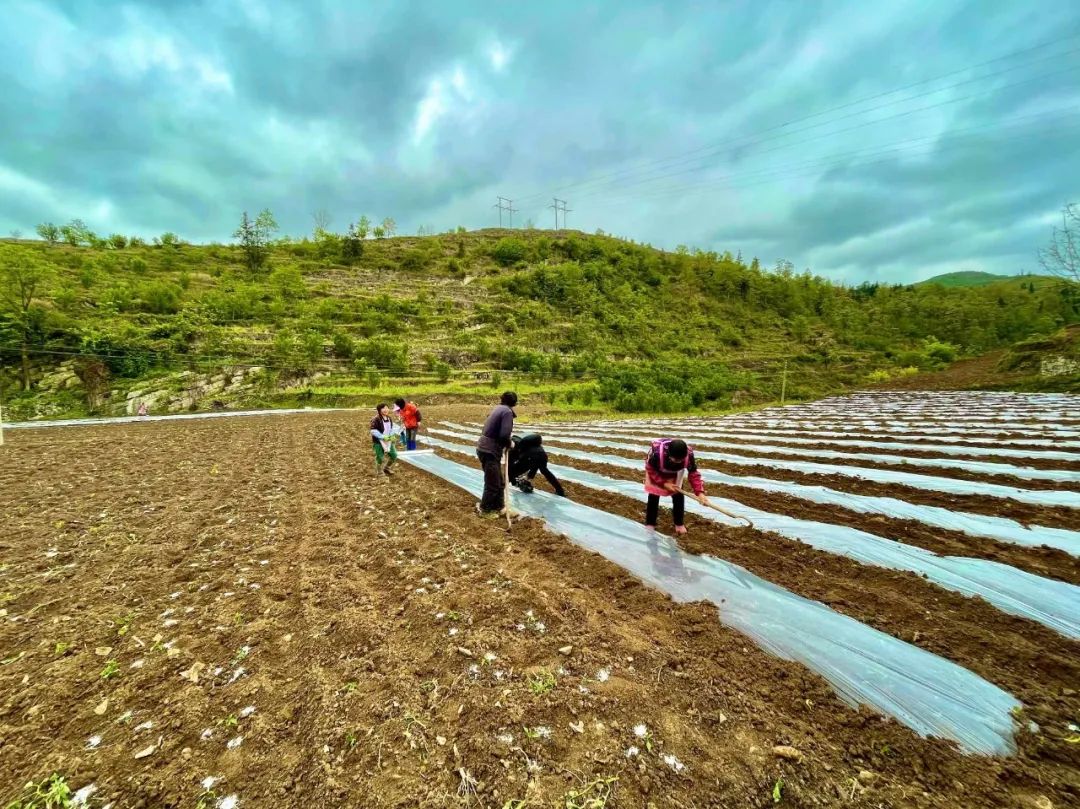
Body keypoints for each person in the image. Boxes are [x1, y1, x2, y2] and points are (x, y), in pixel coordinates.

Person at [644, 438, 708, 535]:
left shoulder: (689, 456)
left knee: (678, 495)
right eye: (676, 459)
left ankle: (679, 523)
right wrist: (664, 483)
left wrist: (700, 493)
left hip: (676, 472)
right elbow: (650, 469)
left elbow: (693, 473)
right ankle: (650, 523)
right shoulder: (657, 455)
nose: (678, 461)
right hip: (657, 471)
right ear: (669, 455)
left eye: (680, 460)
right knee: (654, 495)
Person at [475, 391, 518, 515]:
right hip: (489, 450)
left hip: (485, 448)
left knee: (499, 482)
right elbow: (504, 435)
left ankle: (499, 507)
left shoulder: (498, 408)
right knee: (493, 483)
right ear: (515, 403)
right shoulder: (507, 412)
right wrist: (510, 443)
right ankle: (484, 510)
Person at [370, 403, 399, 476]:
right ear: (379, 410)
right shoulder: (376, 419)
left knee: (394, 455)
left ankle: (387, 467)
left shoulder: (389, 418)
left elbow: (391, 429)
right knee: (380, 457)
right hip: (379, 441)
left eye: (387, 408)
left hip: (388, 440)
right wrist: (382, 436)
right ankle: (379, 471)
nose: (385, 410)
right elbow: (373, 430)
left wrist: (392, 436)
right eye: (383, 408)